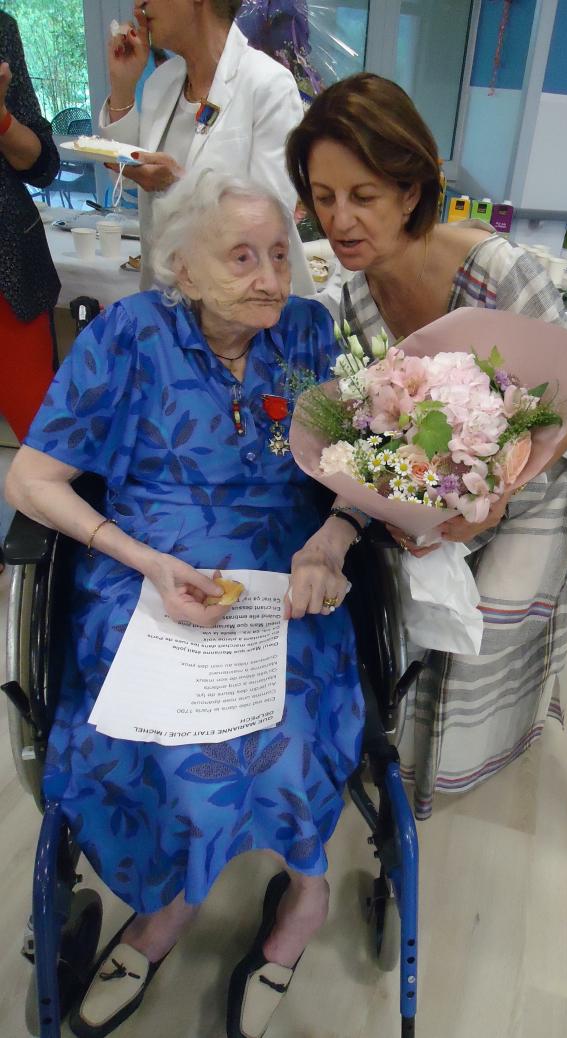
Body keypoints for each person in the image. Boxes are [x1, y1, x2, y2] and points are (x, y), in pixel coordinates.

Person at [5, 171, 364, 1038]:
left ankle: (304, 899)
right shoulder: (130, 336)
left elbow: (372, 472)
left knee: (290, 739)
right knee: (154, 742)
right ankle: (170, 907)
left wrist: (336, 535)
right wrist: (143, 560)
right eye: (240, 256)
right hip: (147, 571)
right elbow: (31, 477)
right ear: (182, 269)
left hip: (286, 573)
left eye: (280, 254)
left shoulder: (313, 336)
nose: (271, 276)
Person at [286, 72, 567, 819]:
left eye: (362, 195)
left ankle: (468, 766)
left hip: (538, 475)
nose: (341, 220)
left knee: (492, 625)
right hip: (440, 486)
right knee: (423, 620)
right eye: (324, 198)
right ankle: (408, 764)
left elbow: (565, 413)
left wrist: (494, 498)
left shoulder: (497, 273)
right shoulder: (355, 299)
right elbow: (375, 427)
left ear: (410, 190)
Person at [99, 0, 313, 294]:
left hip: (241, 307)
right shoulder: (161, 83)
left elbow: (273, 218)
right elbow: (126, 181)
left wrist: (178, 184)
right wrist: (122, 84)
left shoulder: (268, 84)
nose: (140, 4)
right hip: (166, 301)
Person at [0, 11, 60, 572]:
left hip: (8, 276)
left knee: (45, 438)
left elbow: (43, 163)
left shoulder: (0, 28)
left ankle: (53, 570)